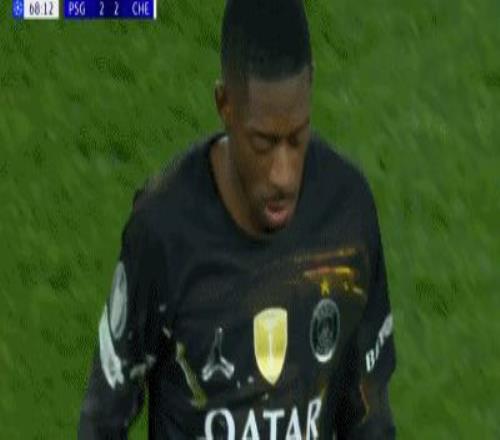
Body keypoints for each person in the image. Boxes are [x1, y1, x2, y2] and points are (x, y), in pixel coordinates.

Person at [77, 0, 397, 438]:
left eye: (297, 139)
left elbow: (368, 410)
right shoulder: (164, 231)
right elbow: (103, 417)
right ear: (224, 104)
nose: (283, 175)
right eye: (263, 143)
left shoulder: (346, 212)